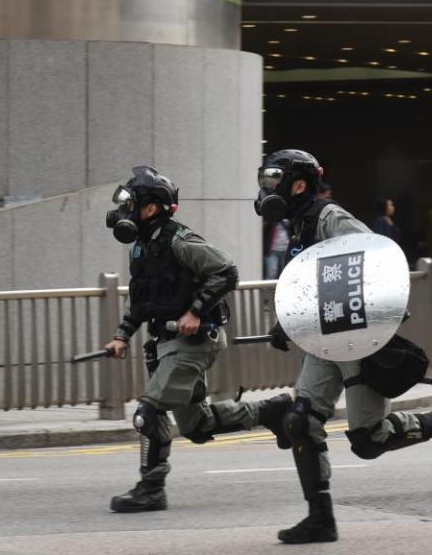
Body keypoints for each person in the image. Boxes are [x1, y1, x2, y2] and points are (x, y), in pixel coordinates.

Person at [254, 149, 432, 543]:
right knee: (300, 421)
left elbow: (370, 258)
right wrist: (287, 324)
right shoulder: (299, 227)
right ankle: (321, 518)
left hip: (355, 341)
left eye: (275, 181)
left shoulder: (327, 217)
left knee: (368, 441)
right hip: (324, 343)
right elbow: (311, 288)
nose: (269, 190)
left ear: (299, 185)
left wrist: (383, 313)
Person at [103, 166, 292, 513]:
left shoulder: (180, 241)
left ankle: (151, 488)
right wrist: (121, 336)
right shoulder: (142, 249)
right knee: (196, 425)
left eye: (133, 203)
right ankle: (271, 411)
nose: (125, 211)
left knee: (148, 411)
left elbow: (226, 271)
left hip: (192, 343)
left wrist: (194, 312)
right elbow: (140, 301)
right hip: (164, 343)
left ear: (151, 208)